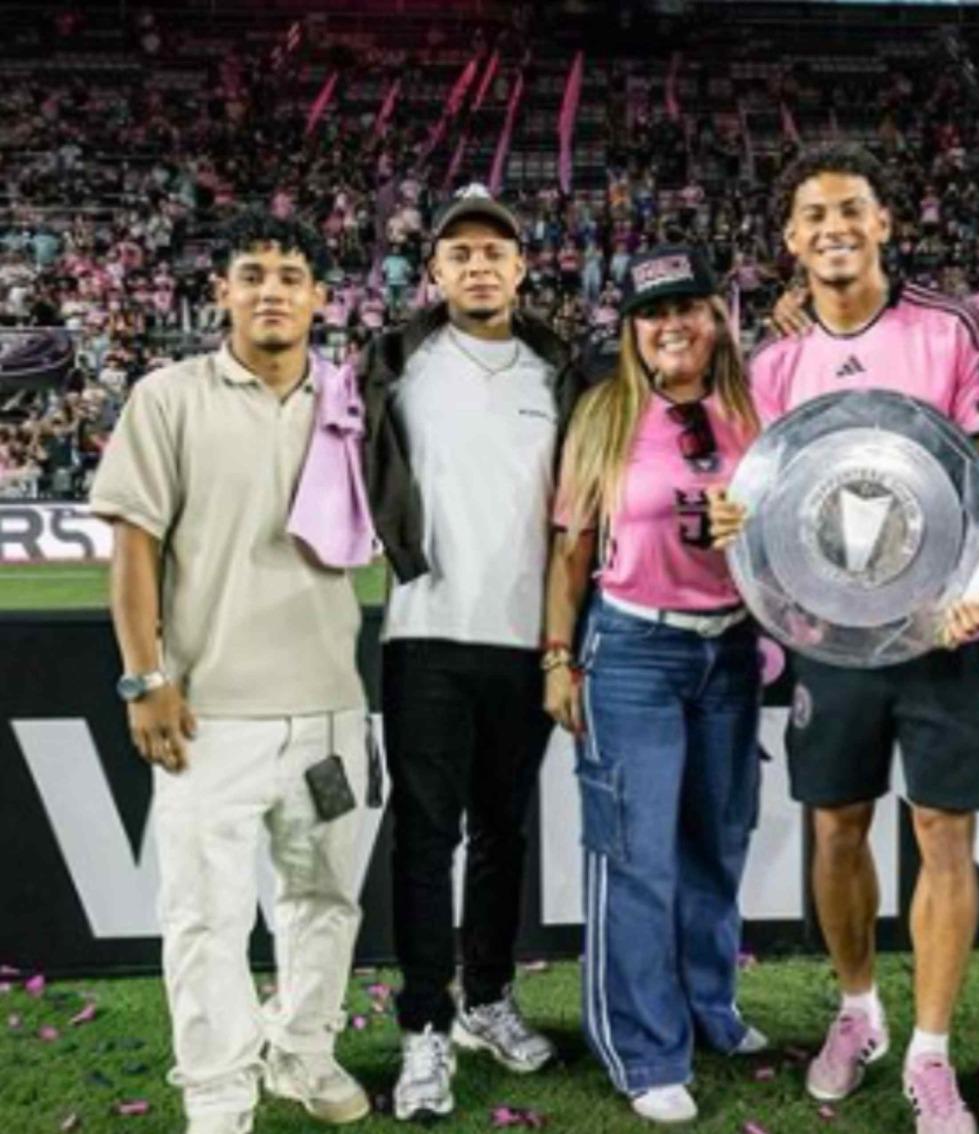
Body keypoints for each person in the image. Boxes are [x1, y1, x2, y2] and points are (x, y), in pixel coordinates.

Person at [711, 142, 979, 1134]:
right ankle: (857, 1012)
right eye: (814, 216)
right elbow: (762, 507)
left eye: (852, 210)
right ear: (790, 240)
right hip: (830, 636)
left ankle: (930, 1053)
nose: (834, 228)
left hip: (944, 632)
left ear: (883, 222)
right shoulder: (772, 361)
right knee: (835, 823)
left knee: (941, 831)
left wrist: (971, 587)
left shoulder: (948, 328)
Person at [91, 212, 371, 1134]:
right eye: (251, 274)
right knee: (208, 916)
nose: (271, 290)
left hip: (332, 710)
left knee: (325, 897)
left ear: (321, 297)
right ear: (222, 293)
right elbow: (133, 548)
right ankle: (217, 1096)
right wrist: (144, 677)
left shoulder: (350, 399)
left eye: (291, 275)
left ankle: (304, 1052)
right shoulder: (168, 396)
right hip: (210, 715)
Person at [357, 185, 585, 1123]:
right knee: (424, 841)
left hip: (528, 642)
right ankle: (423, 1027)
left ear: (521, 267)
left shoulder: (562, 367)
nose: (479, 264)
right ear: (436, 270)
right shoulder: (394, 360)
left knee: (504, 835)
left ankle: (487, 998)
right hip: (424, 634)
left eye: (496, 251)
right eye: (461, 253)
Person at [543, 244, 767, 1126]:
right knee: (636, 857)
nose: (671, 324)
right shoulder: (603, 415)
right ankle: (643, 1048)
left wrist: (750, 530)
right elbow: (567, 551)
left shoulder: (756, 408)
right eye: (651, 313)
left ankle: (709, 1008)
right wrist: (558, 657)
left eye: (688, 307)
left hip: (732, 651)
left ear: (717, 318)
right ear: (632, 330)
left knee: (718, 842)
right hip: (633, 648)